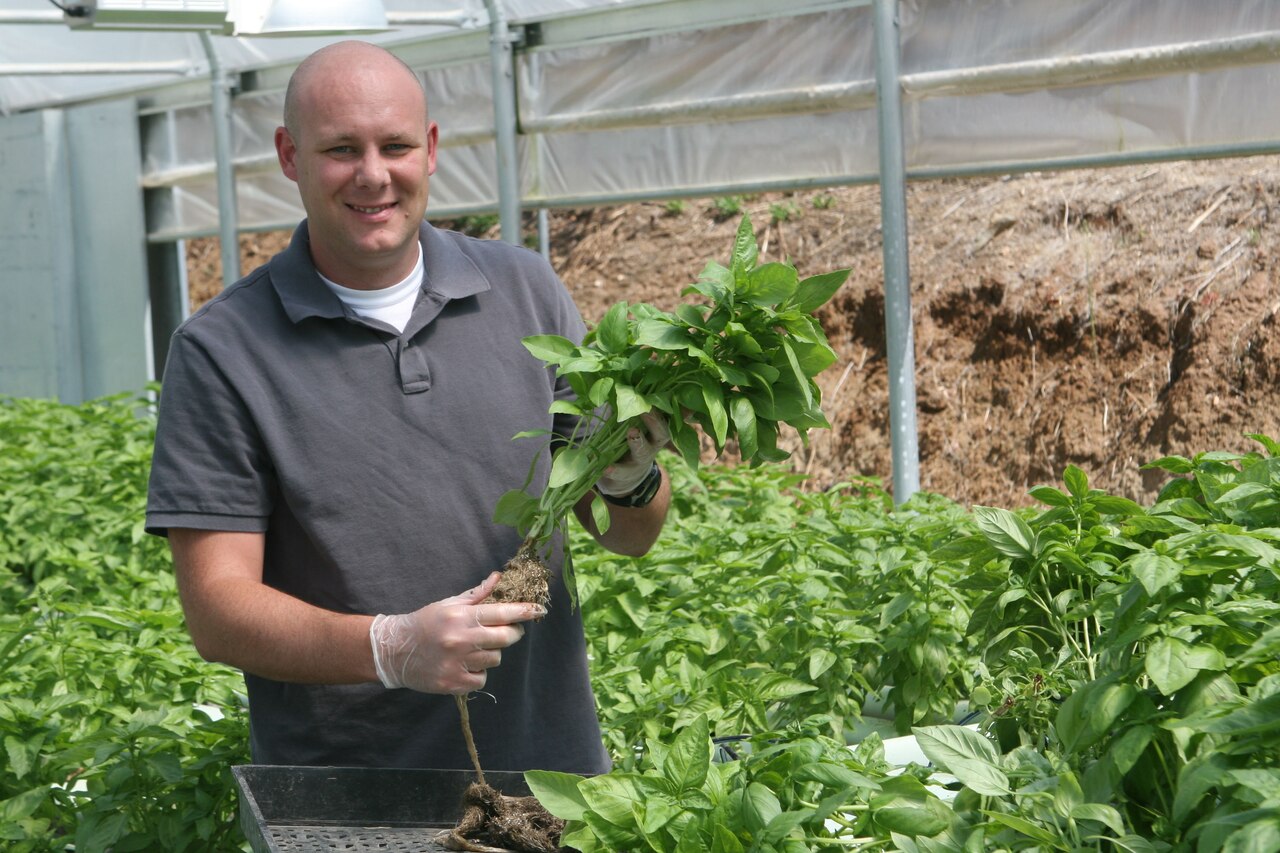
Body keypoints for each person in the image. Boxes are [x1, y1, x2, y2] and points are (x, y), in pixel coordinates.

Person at [145, 40, 670, 774]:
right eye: (340, 149)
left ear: (428, 149)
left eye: (394, 145)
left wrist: (629, 477)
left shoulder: (525, 291)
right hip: (344, 797)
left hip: (551, 780)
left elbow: (627, 536)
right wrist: (390, 647)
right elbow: (218, 609)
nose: (372, 174)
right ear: (290, 155)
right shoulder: (222, 349)